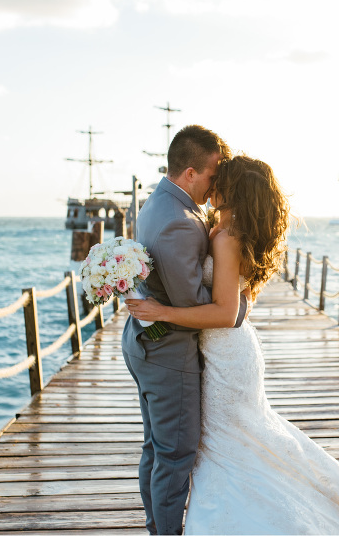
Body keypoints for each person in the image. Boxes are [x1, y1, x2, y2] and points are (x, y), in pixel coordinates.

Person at [127, 155, 339, 534]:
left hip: (227, 355)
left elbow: (225, 313)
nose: (212, 186)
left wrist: (161, 311)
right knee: (242, 438)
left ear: (232, 189)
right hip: (227, 350)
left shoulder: (228, 238)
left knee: (230, 439)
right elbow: (234, 299)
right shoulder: (224, 230)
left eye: (219, 181)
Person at [121, 125, 249, 535]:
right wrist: (240, 296)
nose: (217, 185)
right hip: (168, 352)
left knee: (156, 450)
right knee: (175, 456)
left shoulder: (159, 201)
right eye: (213, 174)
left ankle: (156, 526)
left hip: (145, 343)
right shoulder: (178, 221)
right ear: (190, 171)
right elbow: (196, 304)